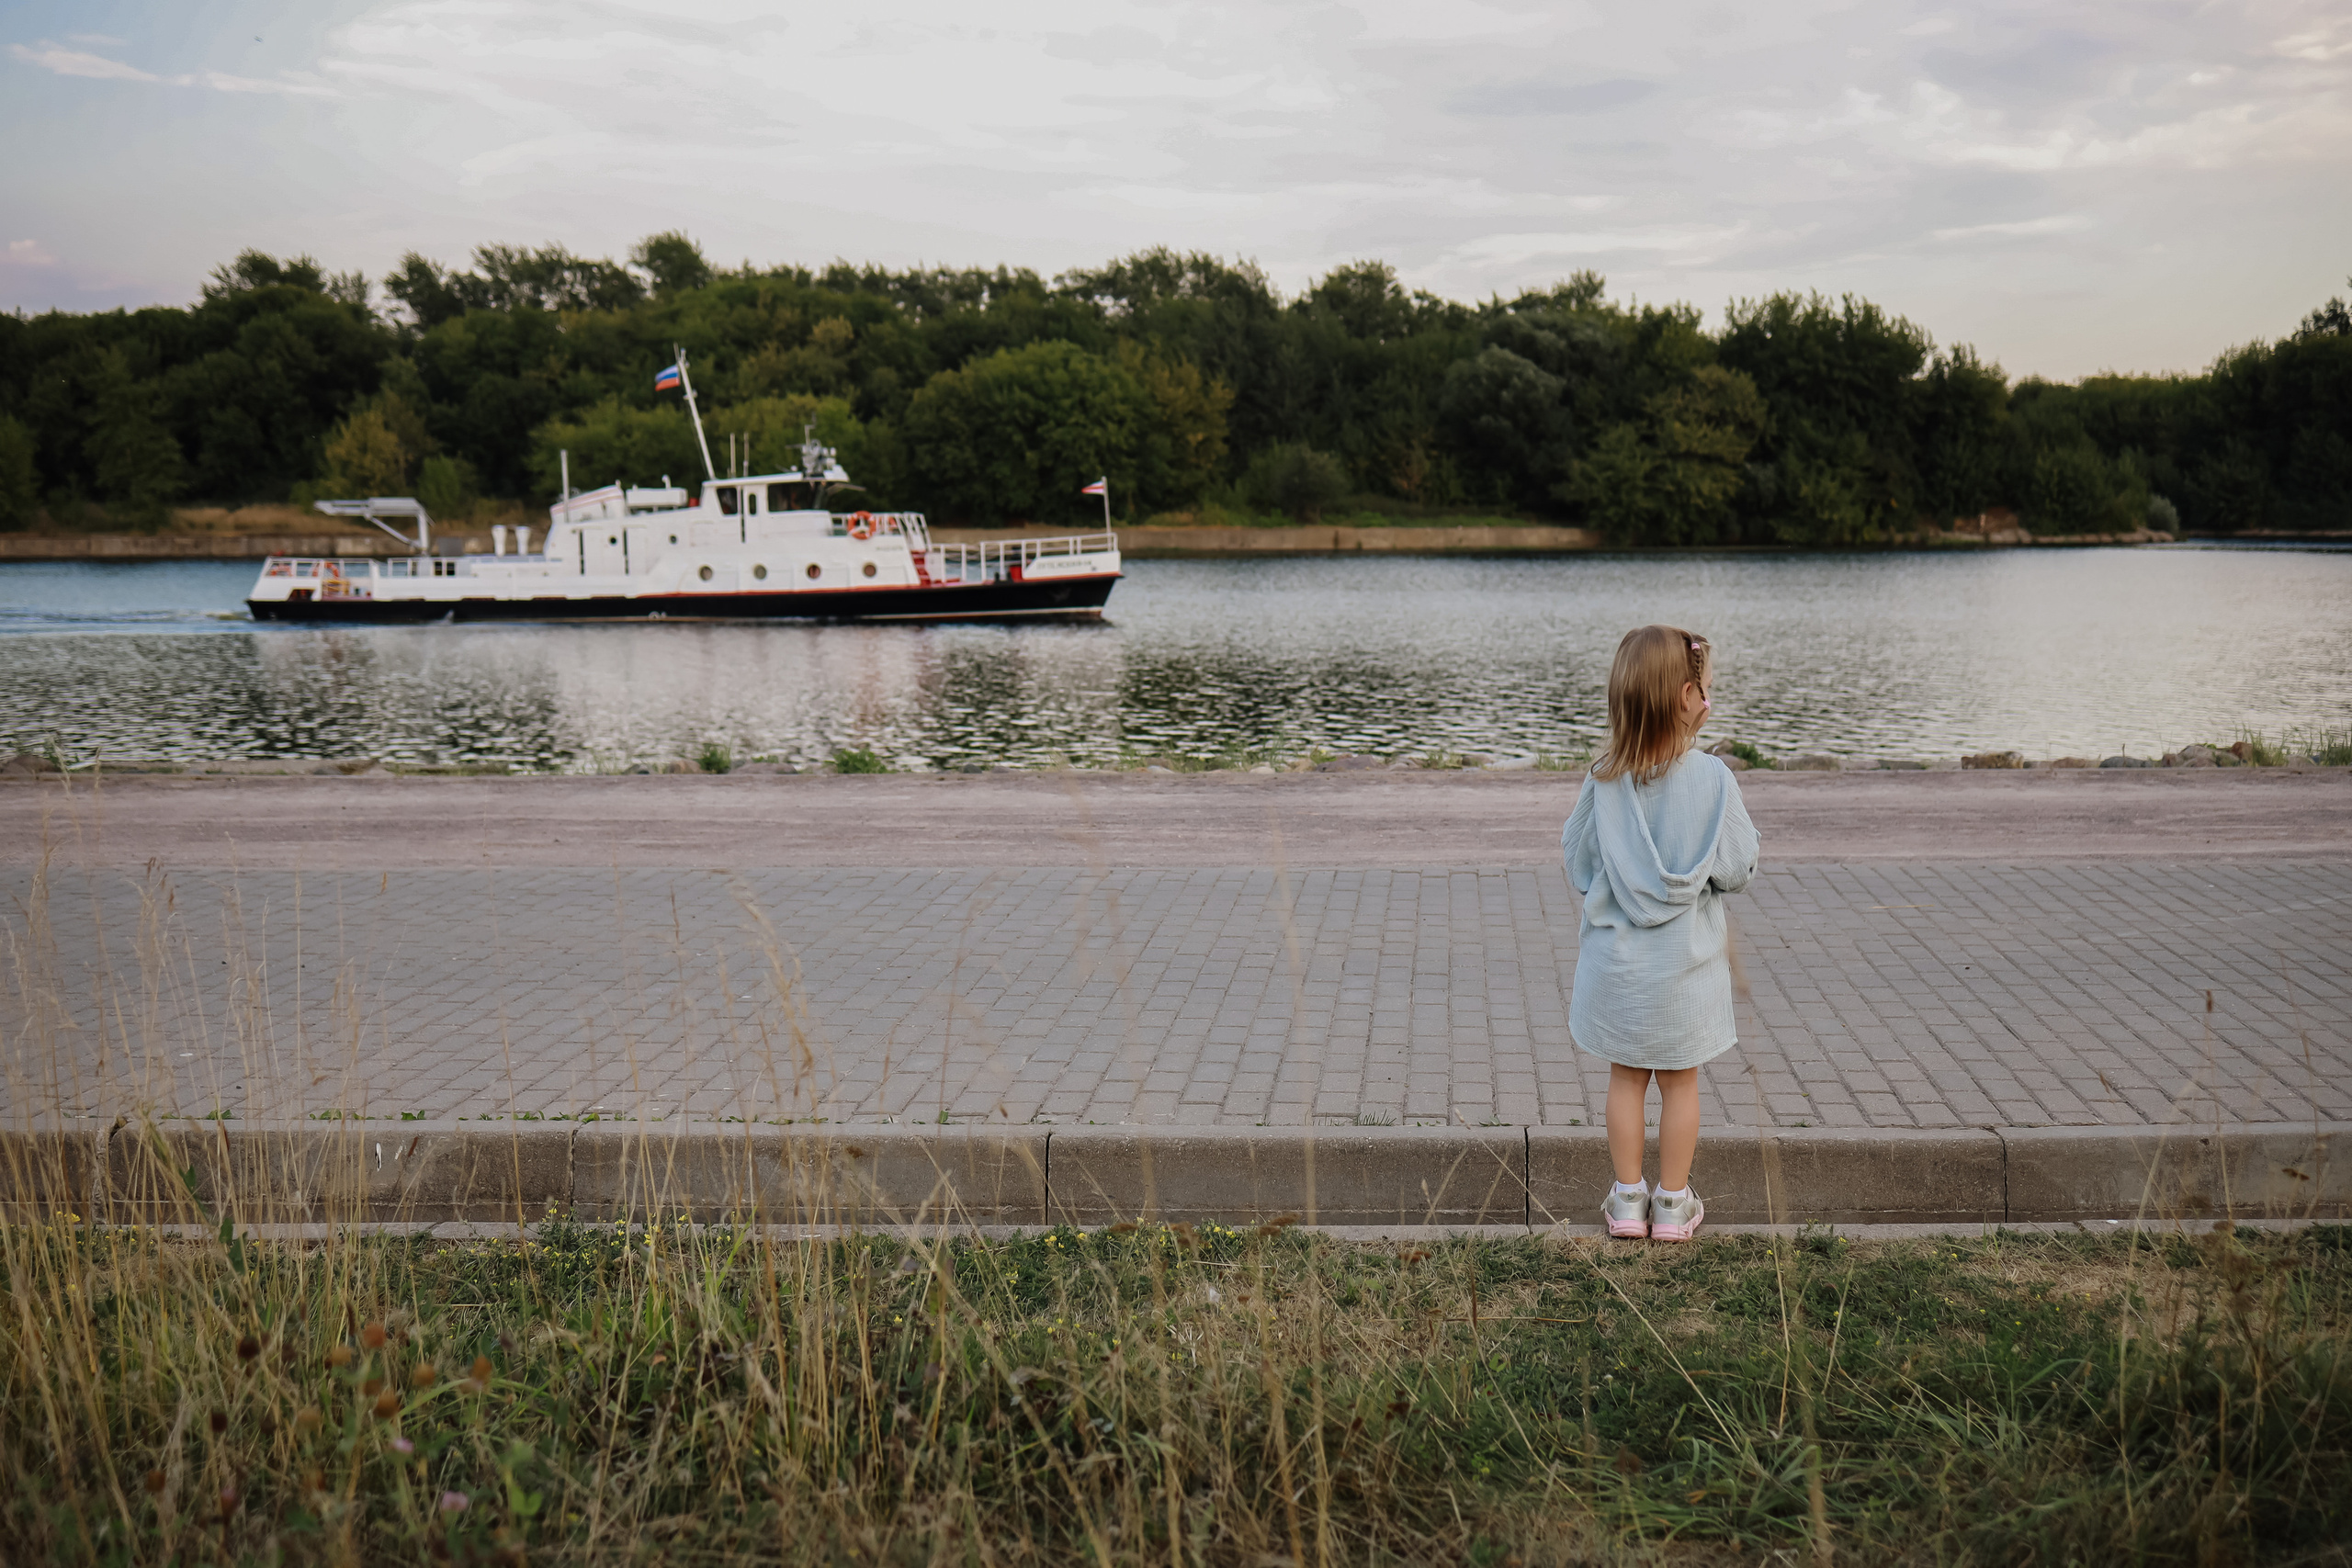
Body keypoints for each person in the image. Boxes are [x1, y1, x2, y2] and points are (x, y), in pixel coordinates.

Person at [1559, 626, 1758, 1241]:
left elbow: (1579, 863)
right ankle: (1672, 1202)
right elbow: (1738, 866)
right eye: (1706, 689)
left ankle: (1626, 1200)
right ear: (1687, 698)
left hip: (1620, 970)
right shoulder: (1714, 779)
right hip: (1685, 971)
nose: (1710, 699)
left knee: (1626, 1078)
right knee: (1680, 1083)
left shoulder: (1604, 778)